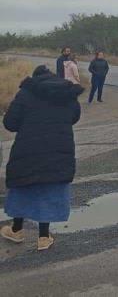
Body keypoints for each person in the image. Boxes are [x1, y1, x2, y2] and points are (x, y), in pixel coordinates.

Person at [1, 65, 83, 251]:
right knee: (49, 188)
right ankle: (44, 237)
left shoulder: (26, 93)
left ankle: (16, 230)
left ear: (35, 78)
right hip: (59, 148)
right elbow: (74, 117)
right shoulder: (67, 93)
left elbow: (10, 124)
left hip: (27, 149)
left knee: (23, 185)